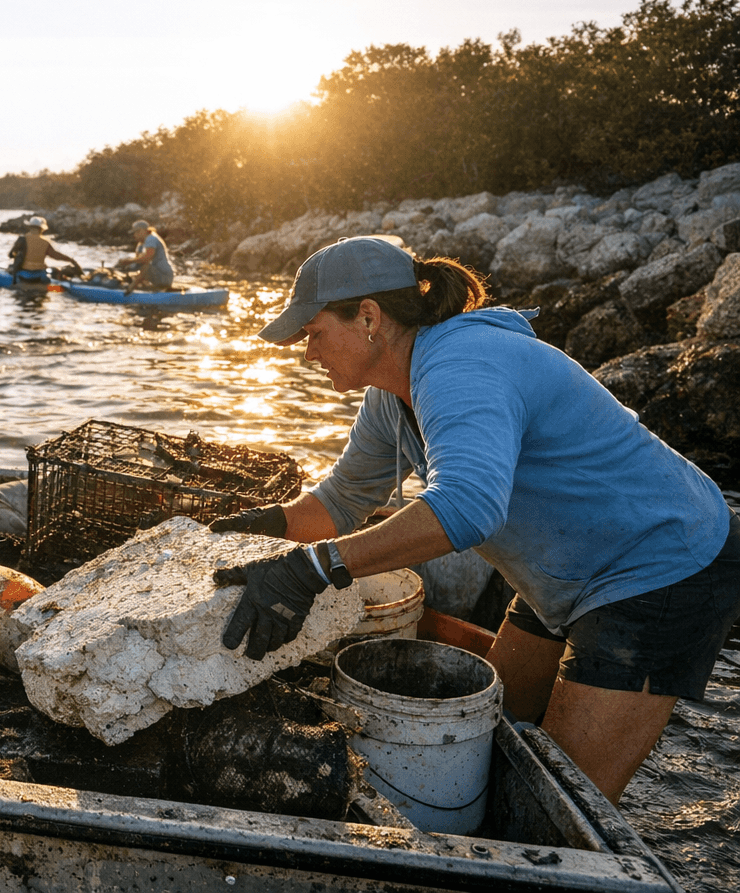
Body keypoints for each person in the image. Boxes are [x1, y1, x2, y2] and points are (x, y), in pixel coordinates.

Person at [208, 235, 740, 804]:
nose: (307, 354)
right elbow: (340, 502)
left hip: (660, 564)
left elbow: (468, 509)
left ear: (368, 317)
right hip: (564, 572)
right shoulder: (392, 392)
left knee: (559, 800)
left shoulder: (461, 366)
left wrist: (313, 569)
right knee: (488, 729)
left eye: (313, 334)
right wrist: (265, 526)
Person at [7, 216, 80, 283]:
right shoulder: (45, 242)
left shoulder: (22, 239)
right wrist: (70, 260)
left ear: (30, 227)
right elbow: (56, 256)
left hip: (24, 274)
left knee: (12, 268)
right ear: (41, 229)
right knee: (55, 270)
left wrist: (17, 255)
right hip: (41, 275)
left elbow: (11, 255)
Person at [114, 219, 174, 289]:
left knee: (141, 264)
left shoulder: (151, 238)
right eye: (134, 233)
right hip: (156, 275)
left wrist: (128, 261)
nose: (135, 235)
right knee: (129, 264)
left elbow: (147, 258)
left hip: (165, 278)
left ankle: (132, 287)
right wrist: (125, 263)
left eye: (137, 232)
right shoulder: (141, 244)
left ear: (144, 231)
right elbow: (137, 261)